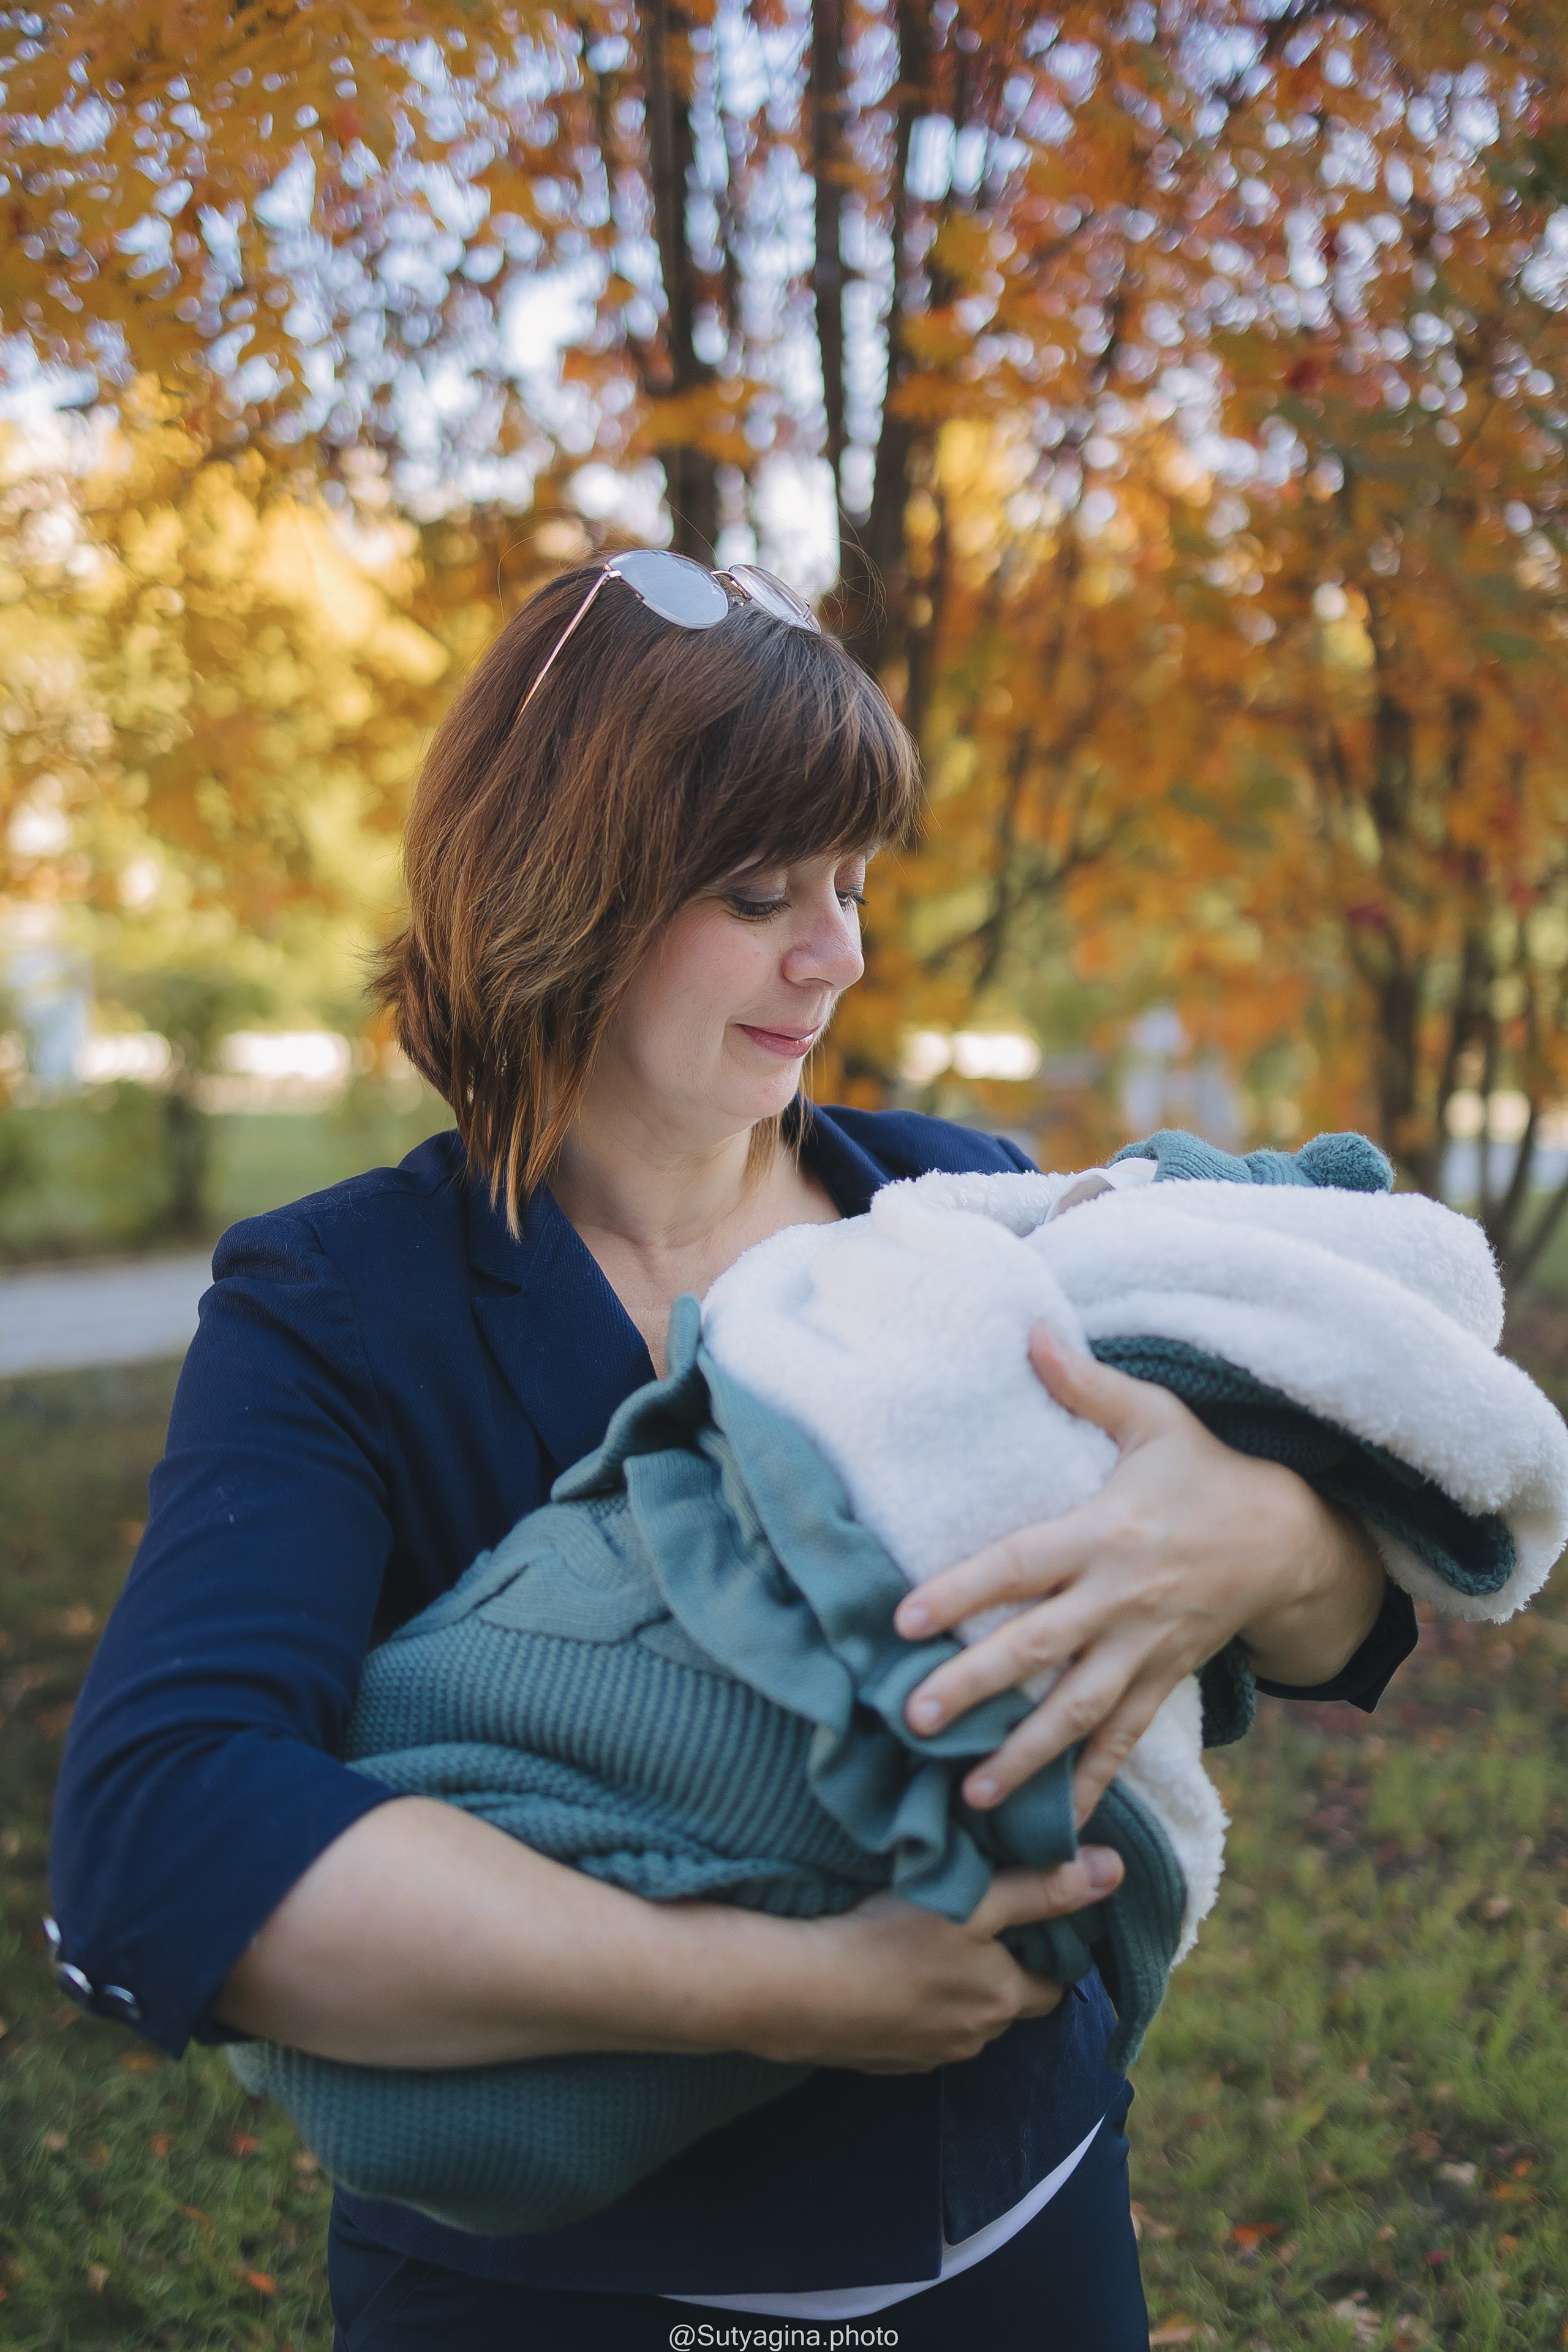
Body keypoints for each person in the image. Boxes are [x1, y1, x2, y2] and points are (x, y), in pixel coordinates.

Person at [48, 554, 1415, 2351]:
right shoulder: (341, 1304)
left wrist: (1253, 1546)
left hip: (1026, 2243)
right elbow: (160, 1839)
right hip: (554, 2298)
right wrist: (777, 1992)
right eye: (763, 890)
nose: (837, 951)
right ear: (567, 890)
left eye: (849, 885)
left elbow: (1348, 1623)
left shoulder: (962, 1205)